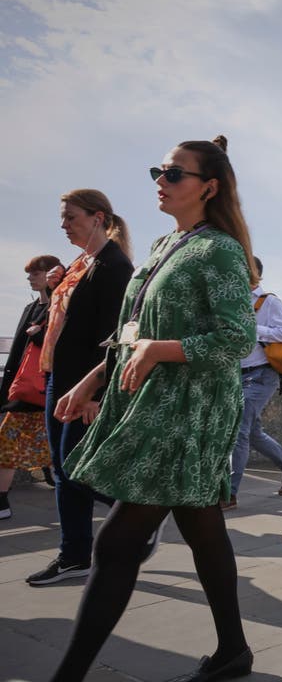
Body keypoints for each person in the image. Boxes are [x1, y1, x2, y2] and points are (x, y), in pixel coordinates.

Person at [49, 135, 259, 681]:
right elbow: (133, 328)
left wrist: (161, 350)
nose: (160, 183)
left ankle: (67, 675)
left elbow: (237, 338)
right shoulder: (169, 246)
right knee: (202, 528)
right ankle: (234, 650)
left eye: (173, 174)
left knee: (116, 543)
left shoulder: (220, 250)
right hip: (151, 402)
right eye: (158, 173)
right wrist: (94, 378)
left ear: (208, 187)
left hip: (187, 413)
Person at [27, 190, 135, 587]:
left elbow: (114, 336)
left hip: (82, 382)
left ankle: (137, 514)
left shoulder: (114, 266)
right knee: (63, 469)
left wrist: (95, 394)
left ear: (97, 218)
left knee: (73, 469)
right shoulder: (80, 264)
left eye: (70, 217)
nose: (63, 225)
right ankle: (75, 555)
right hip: (60, 375)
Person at [226, 257, 282, 509]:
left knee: (239, 430)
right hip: (236, 375)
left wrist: (255, 331)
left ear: (256, 274)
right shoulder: (233, 303)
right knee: (253, 432)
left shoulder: (268, 301)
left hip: (261, 375)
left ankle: (229, 493)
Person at [0, 255, 62, 520]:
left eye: (35, 273)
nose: (30, 277)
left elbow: (64, 346)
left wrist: (39, 336)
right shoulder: (30, 308)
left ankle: (2, 503)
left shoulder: (59, 308)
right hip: (24, 391)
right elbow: (16, 353)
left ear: (51, 275)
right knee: (16, 444)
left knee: (7, 444)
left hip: (44, 389)